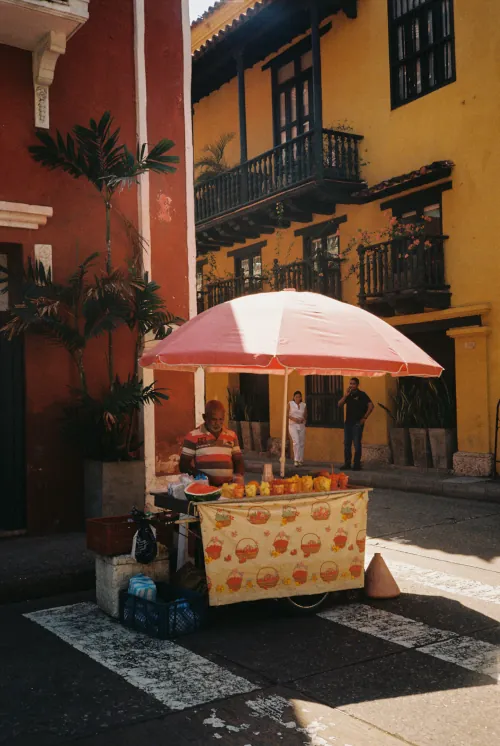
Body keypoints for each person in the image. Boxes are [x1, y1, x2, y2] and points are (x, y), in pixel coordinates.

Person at [179, 400, 244, 486]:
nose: (217, 423)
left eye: (221, 419)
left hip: (228, 488)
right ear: (204, 417)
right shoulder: (192, 436)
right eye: (214, 419)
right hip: (204, 487)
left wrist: (238, 476)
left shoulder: (231, 435)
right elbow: (184, 465)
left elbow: (238, 460)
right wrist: (204, 477)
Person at [338, 377, 374, 471]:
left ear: (357, 385)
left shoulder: (362, 395)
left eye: (353, 384)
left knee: (357, 444)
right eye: (350, 383)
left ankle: (356, 464)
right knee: (347, 444)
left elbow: (371, 406)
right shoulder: (348, 395)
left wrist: (364, 418)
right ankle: (347, 463)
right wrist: (345, 395)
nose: (351, 385)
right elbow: (339, 405)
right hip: (348, 423)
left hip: (357, 423)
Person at [288, 390, 307, 467]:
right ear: (293, 397)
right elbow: (287, 414)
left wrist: (303, 419)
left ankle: (300, 460)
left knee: (301, 443)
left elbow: (305, 415)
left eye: (299, 397)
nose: (297, 398)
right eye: (296, 397)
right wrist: (294, 419)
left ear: (301, 397)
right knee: (296, 441)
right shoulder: (290, 404)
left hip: (301, 425)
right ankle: (296, 459)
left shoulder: (304, 405)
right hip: (293, 425)